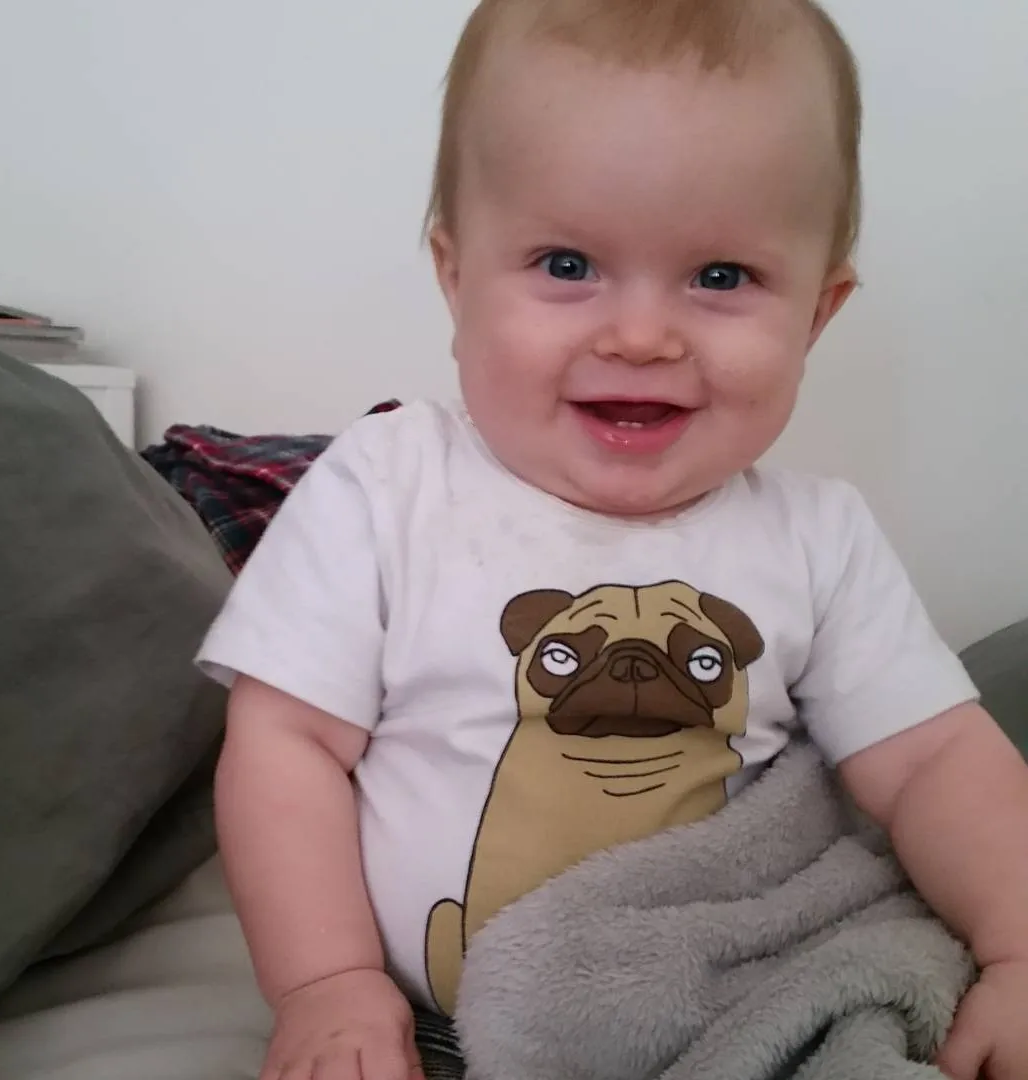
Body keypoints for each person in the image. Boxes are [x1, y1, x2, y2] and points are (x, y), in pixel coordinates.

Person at [197, 2, 1028, 1078]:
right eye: (566, 263)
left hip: (716, 999)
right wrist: (326, 983)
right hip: (432, 1021)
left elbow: (932, 762)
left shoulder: (818, 538)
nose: (641, 336)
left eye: (721, 276)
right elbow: (287, 744)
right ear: (457, 278)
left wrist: (1015, 946)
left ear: (817, 315)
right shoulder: (388, 484)